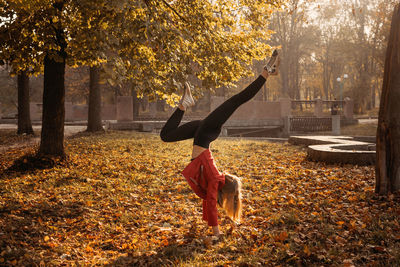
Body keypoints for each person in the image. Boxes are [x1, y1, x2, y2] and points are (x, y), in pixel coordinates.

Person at [160, 50, 280, 237]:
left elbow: (209, 202)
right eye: (228, 199)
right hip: (207, 130)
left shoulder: (213, 185)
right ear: (225, 190)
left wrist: (210, 226)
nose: (223, 201)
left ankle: (184, 104)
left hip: (203, 133)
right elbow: (210, 203)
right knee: (236, 100)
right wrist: (216, 232)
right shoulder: (216, 181)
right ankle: (266, 71)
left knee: (166, 136)